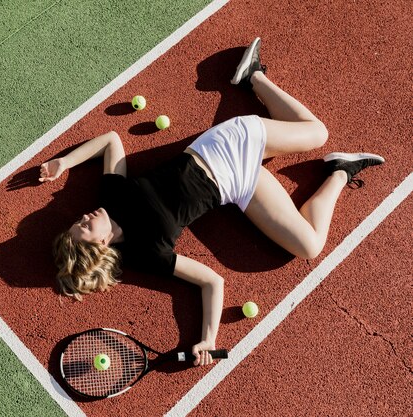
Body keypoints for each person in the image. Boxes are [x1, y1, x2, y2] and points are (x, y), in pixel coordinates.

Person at [38, 38, 384, 367]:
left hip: (222, 149)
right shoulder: (147, 253)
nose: (85, 216)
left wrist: (64, 163)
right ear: (100, 245)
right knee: (309, 246)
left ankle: (254, 77)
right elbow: (211, 281)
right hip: (236, 187)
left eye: (80, 220)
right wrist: (207, 338)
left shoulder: (112, 197)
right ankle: (340, 171)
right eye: (84, 225)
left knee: (317, 133)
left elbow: (111, 141)